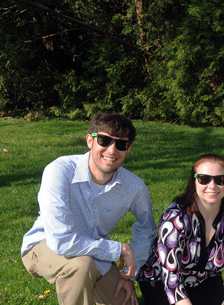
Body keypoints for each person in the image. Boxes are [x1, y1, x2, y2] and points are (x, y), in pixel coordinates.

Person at [21, 111, 156, 305]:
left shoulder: (134, 187)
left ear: (128, 149)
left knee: (124, 300)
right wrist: (118, 249)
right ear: (90, 141)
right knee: (80, 266)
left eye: (121, 144)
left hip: (95, 252)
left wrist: (129, 277)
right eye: (104, 140)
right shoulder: (60, 171)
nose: (111, 150)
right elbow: (61, 242)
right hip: (45, 244)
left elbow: (146, 227)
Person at [136, 154, 224, 305]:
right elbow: (169, 273)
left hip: (205, 279)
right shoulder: (175, 217)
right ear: (194, 182)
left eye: (220, 180)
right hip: (160, 280)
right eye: (204, 179)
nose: (212, 186)